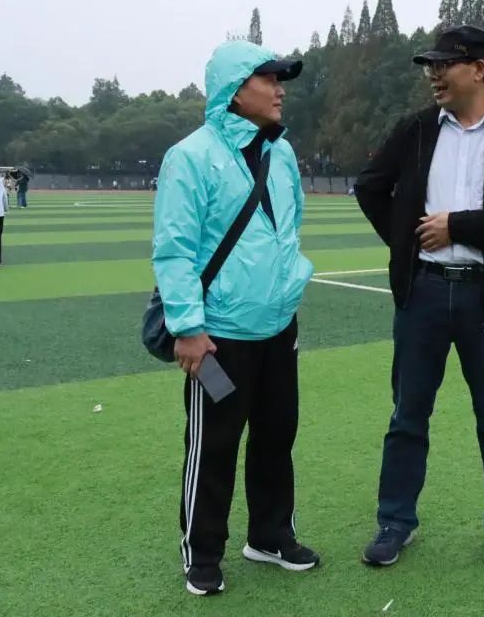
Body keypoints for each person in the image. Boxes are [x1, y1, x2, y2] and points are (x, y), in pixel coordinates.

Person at [354, 26, 484, 579]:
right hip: (422, 292)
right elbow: (371, 186)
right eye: (430, 66)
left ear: (478, 70)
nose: (433, 75)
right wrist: (408, 241)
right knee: (407, 415)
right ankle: (395, 522)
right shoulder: (416, 130)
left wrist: (457, 227)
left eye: (444, 65)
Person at [152, 40, 317, 596]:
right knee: (214, 444)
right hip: (218, 337)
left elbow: (289, 230)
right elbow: (174, 251)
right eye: (269, 79)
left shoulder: (282, 154)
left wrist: (287, 292)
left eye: (280, 80)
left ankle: (270, 535)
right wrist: (188, 329)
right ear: (235, 89)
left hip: (279, 327)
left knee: (277, 436)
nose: (279, 90)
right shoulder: (189, 157)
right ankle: (202, 552)